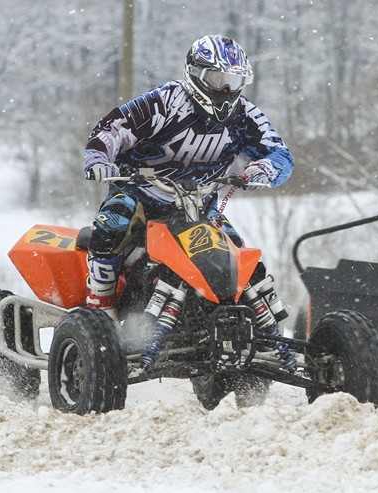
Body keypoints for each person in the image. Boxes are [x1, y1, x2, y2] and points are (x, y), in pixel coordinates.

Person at [82, 34, 295, 367]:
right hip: (140, 193)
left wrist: (264, 169)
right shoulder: (163, 103)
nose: (226, 90)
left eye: (233, 81)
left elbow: (279, 153)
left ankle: (256, 334)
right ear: (195, 74)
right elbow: (110, 129)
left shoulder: (245, 115)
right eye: (217, 79)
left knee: (239, 260)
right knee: (113, 224)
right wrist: (98, 160)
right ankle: (101, 308)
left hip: (199, 206)